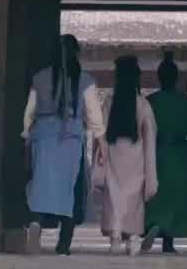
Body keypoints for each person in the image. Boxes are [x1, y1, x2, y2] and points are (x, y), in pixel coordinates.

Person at [22, 32, 104, 254]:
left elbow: (29, 112)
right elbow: (94, 116)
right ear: (76, 53)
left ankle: (36, 223)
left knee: (40, 186)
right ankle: (63, 245)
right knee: (69, 190)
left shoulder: (39, 78)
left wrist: (26, 134)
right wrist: (102, 144)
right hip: (70, 139)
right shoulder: (85, 80)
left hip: (43, 136)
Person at [140, 51, 187, 253]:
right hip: (179, 155)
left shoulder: (150, 101)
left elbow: (139, 130)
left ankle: (153, 225)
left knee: (156, 195)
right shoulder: (186, 102)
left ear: (159, 78)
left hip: (155, 153)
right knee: (175, 197)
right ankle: (168, 241)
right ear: (176, 78)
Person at [96, 53, 158, 255]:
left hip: (114, 155)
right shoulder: (143, 105)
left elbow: (101, 133)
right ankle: (132, 238)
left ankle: (115, 236)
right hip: (136, 158)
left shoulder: (109, 102)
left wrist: (100, 157)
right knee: (133, 199)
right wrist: (151, 172)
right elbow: (150, 137)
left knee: (114, 196)